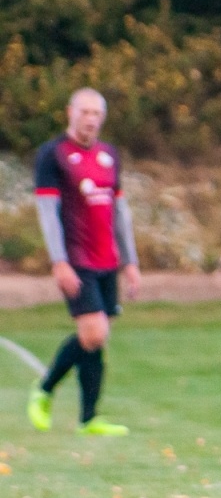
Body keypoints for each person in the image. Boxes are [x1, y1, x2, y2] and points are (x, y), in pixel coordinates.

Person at [28, 87, 139, 436]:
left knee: (95, 338)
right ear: (69, 113)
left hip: (108, 259)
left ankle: (89, 419)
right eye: (84, 112)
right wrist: (59, 261)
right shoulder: (53, 155)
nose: (90, 119)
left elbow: (120, 212)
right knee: (95, 331)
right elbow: (48, 212)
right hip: (77, 259)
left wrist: (130, 262)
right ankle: (43, 390)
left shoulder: (110, 155)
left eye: (96, 113)